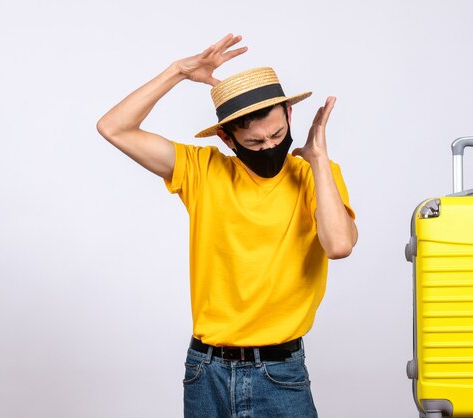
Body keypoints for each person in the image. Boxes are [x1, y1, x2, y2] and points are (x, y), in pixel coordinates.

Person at [96, 33, 357, 418]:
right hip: (206, 371)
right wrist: (178, 71)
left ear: (288, 115)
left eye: (277, 135)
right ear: (227, 138)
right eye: (254, 142)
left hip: (280, 372)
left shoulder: (316, 175)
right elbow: (113, 127)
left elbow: (339, 245)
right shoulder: (203, 171)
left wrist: (318, 159)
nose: (269, 146)